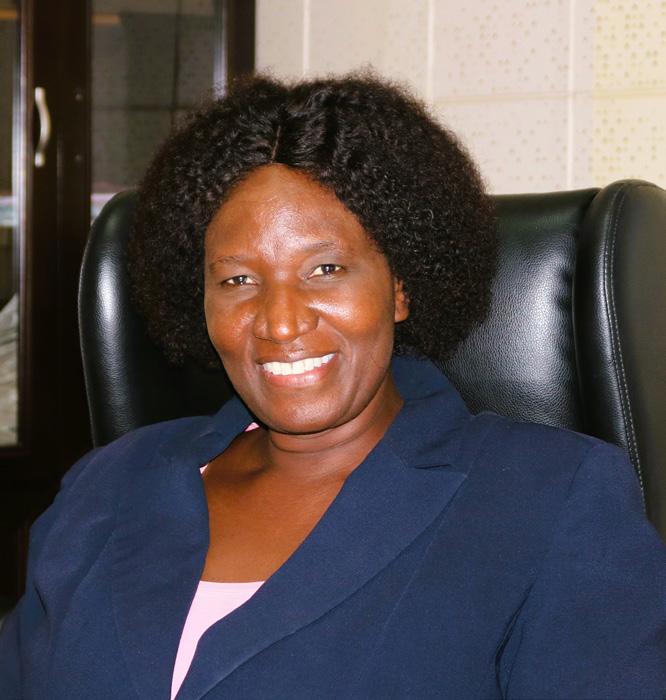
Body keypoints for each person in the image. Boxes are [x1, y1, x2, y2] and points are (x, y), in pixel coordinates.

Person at [1, 74, 665, 700]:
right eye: (237, 280)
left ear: (400, 286)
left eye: (325, 269)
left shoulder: (549, 499)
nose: (280, 321)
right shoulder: (106, 487)